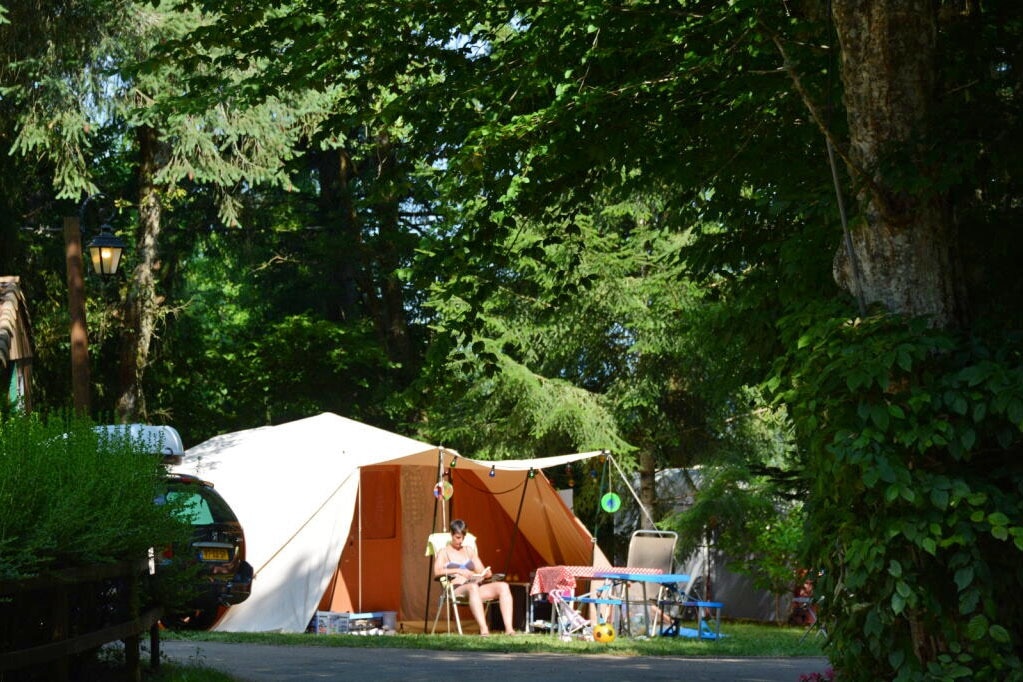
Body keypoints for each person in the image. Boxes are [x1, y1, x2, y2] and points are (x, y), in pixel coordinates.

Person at [432, 518, 515, 635]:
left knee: (503, 586)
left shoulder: (469, 551)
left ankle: (509, 629)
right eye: (457, 537)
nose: (460, 541)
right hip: (456, 588)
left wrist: (486, 573)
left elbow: (480, 570)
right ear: (451, 534)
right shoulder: (444, 552)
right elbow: (437, 572)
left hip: (474, 588)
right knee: (472, 587)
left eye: (462, 538)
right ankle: (484, 630)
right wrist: (459, 570)